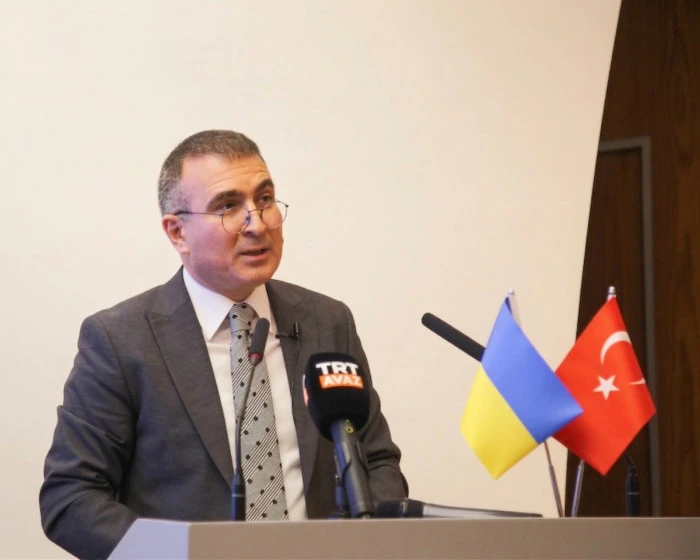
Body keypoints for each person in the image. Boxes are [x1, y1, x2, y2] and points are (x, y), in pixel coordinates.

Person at [40, 130, 408, 559]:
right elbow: (71, 499)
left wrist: (358, 545)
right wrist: (184, 555)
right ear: (177, 232)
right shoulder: (121, 340)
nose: (258, 223)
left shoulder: (327, 322)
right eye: (228, 206)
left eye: (265, 199)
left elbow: (376, 462)